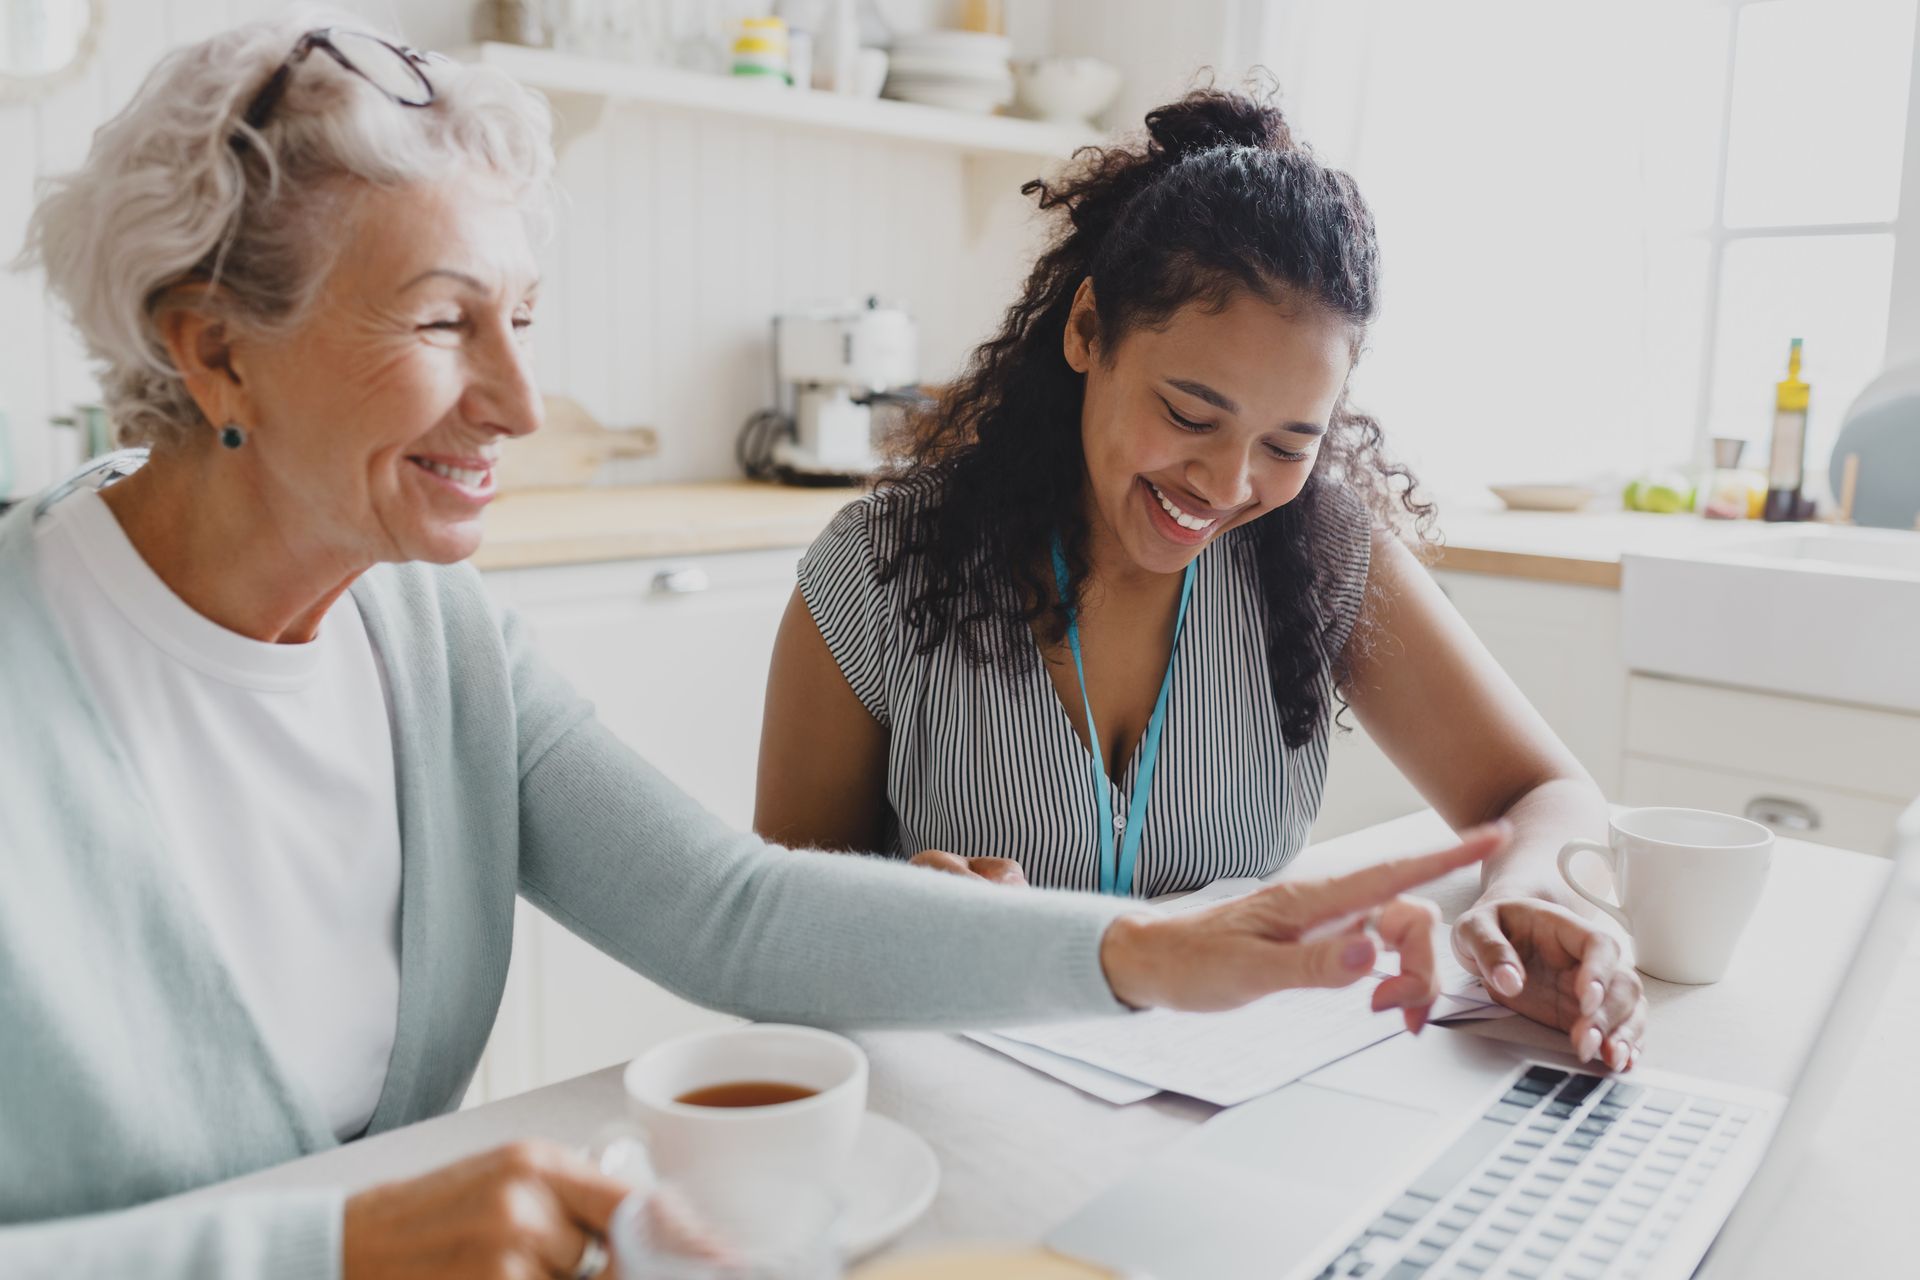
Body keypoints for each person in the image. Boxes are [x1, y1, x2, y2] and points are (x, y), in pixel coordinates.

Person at [0, 17, 1503, 1279]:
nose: (526, 404)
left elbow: (731, 909)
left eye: (524, 316)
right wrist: (329, 1251)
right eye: (448, 324)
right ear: (209, 348)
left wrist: (1158, 953)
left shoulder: (437, 644)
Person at [755, 88, 1648, 1075]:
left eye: (1286, 442)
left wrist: (1529, 890)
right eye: (1189, 415)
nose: (1227, 486)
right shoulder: (879, 569)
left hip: (1225, 1114)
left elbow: (1548, 791)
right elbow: (769, 939)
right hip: (960, 1115)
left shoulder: (1322, 556)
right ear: (1089, 330)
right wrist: (914, 926)